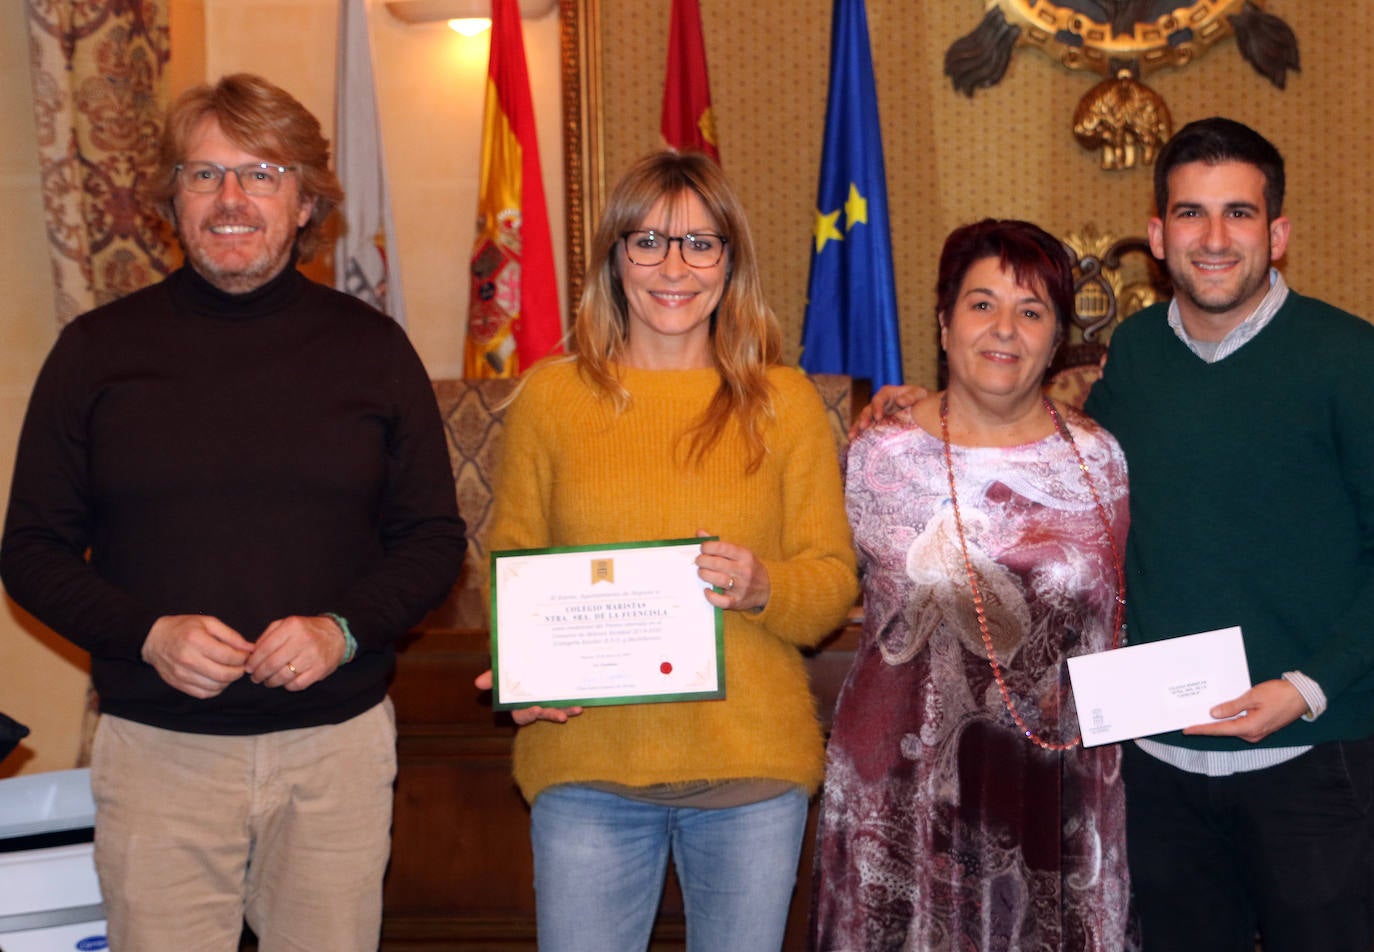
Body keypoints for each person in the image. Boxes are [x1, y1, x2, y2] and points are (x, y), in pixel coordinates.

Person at [858, 117, 1374, 952]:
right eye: (1191, 215)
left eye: (1238, 214)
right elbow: (1041, 459)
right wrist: (923, 411)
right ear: (1157, 235)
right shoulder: (1133, 355)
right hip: (1158, 770)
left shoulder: (1350, 359)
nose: (1214, 239)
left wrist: (1308, 685)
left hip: (1312, 759)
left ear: (1277, 234)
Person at [0, 73, 467, 951]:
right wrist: (145, 633)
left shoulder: (374, 350)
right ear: (173, 199)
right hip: (158, 758)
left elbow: (434, 539)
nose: (231, 200)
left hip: (335, 754)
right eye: (204, 174)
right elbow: (30, 549)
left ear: (305, 202)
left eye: (261, 173)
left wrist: (342, 628)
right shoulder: (96, 353)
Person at [475, 151, 858, 952]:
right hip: (586, 766)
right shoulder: (551, 397)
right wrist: (520, 673)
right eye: (647, 242)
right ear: (615, 260)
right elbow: (508, 563)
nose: (673, 267)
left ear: (731, 260)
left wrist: (762, 586)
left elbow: (831, 584)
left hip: (751, 772)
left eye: (700, 243)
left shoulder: (784, 402)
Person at [811, 219, 1132, 951]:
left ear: (1057, 339)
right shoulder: (874, 453)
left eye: (1032, 310)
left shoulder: (1101, 460)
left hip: (1058, 791)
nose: (1005, 329)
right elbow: (821, 581)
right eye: (982, 304)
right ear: (944, 321)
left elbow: (1118, 617)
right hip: (903, 796)